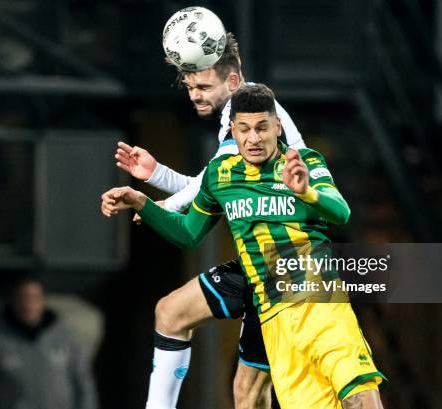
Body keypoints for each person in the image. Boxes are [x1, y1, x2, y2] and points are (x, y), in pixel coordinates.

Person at [102, 83, 386, 409]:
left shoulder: (302, 161)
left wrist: (307, 191)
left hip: (319, 303)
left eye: (263, 128)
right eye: (245, 129)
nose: (254, 139)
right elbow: (189, 235)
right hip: (273, 319)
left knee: (361, 398)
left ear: (277, 126)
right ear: (232, 131)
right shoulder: (220, 176)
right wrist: (143, 203)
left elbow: (341, 211)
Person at [115, 33, 305, 409]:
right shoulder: (240, 118)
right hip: (258, 265)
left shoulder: (253, 120)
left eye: (203, 85)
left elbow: (212, 182)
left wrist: (163, 204)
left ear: (231, 82)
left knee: (267, 393)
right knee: (171, 314)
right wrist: (158, 175)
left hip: (285, 272)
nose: (194, 95)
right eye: (189, 87)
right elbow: (216, 186)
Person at [0, 274, 98, 409]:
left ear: (42, 301)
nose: (29, 304)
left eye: (34, 298)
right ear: (15, 301)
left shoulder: (64, 340)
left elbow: (83, 383)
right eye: (24, 298)